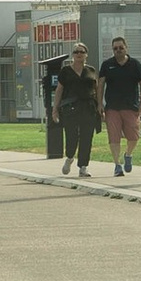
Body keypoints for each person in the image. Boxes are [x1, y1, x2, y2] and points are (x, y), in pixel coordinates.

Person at [98, 32, 141, 177]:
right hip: (112, 107)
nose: (118, 50)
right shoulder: (107, 65)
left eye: (121, 47)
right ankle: (117, 165)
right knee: (114, 137)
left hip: (131, 106)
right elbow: (100, 85)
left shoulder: (135, 64)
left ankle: (128, 155)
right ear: (112, 50)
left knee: (133, 137)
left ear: (126, 48)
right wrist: (99, 103)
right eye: (115, 48)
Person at [56, 42, 102, 180]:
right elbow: (59, 90)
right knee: (71, 136)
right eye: (76, 52)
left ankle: (83, 167)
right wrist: (55, 109)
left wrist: (100, 105)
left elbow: (97, 89)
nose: (79, 54)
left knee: (87, 137)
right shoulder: (65, 71)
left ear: (86, 54)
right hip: (71, 108)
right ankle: (70, 157)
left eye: (81, 52)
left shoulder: (91, 71)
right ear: (73, 55)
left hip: (88, 107)